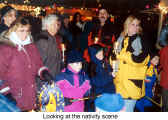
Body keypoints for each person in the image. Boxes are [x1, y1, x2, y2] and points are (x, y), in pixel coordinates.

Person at [0, 17, 52, 111]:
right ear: (13, 30)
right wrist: (6, 93)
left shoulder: (31, 46)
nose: (25, 34)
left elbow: (38, 64)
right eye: (21, 30)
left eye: (27, 31)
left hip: (30, 95)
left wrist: (44, 72)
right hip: (13, 97)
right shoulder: (5, 49)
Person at [114, 15, 151, 112]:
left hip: (132, 85)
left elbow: (140, 60)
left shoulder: (142, 40)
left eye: (137, 25)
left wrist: (123, 55)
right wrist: (113, 63)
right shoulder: (121, 39)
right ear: (127, 25)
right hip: (119, 83)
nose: (135, 27)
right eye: (132, 24)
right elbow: (113, 57)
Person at [86, 44, 115, 111]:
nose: (100, 53)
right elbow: (97, 82)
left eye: (100, 51)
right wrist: (110, 76)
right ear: (93, 55)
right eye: (97, 52)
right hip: (99, 97)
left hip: (109, 95)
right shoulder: (92, 66)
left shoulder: (105, 62)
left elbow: (110, 73)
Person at [35, 14, 62, 78]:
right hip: (46, 79)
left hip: (54, 76)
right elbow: (39, 63)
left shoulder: (54, 39)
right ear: (47, 26)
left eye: (57, 24)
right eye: (53, 25)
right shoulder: (43, 41)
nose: (56, 27)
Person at [160, 45, 168, 112]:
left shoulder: (165, 49)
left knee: (165, 104)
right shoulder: (165, 49)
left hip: (166, 81)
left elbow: (161, 63)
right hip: (166, 81)